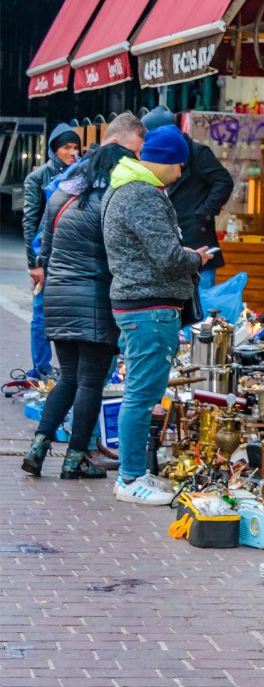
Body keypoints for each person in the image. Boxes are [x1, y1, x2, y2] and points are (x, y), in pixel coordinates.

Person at [21, 114, 146, 479]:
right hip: (93, 298)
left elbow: (44, 245)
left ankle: (38, 446)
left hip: (58, 296)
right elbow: (119, 253)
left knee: (68, 378)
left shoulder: (61, 192)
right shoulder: (110, 199)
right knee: (90, 382)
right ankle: (75, 458)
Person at [102, 124, 212, 505]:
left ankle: (135, 474)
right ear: (164, 161)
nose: (180, 173)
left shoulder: (124, 187)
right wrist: (194, 258)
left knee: (141, 390)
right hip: (148, 305)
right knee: (141, 394)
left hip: (139, 303)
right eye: (178, 165)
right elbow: (166, 256)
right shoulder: (142, 194)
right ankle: (130, 478)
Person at [141, 107, 233, 288]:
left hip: (196, 236)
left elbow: (223, 181)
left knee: (201, 298)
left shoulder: (197, 153)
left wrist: (204, 212)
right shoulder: (158, 158)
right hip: (174, 242)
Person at [23, 123, 81, 379]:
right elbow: (30, 222)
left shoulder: (81, 174)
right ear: (54, 149)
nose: (73, 152)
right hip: (45, 256)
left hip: (71, 254)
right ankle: (41, 367)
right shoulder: (39, 178)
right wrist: (34, 263)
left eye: (75, 147)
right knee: (41, 312)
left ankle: (70, 370)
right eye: (67, 147)